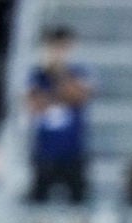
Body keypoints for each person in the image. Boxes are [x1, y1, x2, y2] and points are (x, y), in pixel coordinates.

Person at [25, 25, 93, 204]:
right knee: (38, 204)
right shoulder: (37, 75)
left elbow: (79, 97)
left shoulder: (79, 72)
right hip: (45, 151)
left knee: (79, 204)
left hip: (73, 150)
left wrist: (59, 81)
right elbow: (34, 105)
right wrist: (62, 95)